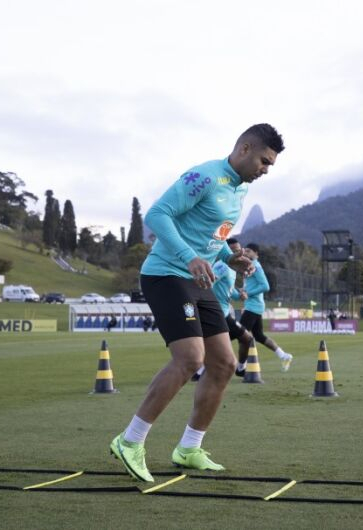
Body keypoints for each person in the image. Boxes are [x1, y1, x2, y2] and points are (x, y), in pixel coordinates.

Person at [109, 123, 285, 483]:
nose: (266, 170)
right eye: (264, 161)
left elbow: (214, 236)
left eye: (270, 165)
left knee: (223, 363)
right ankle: (130, 441)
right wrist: (190, 257)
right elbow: (157, 215)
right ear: (245, 148)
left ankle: (189, 448)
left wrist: (230, 257)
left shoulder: (238, 192)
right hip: (167, 275)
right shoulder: (204, 176)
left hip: (200, 281)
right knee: (191, 358)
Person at [193, 238, 254, 381]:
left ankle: (238, 369)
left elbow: (227, 289)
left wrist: (238, 295)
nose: (237, 254)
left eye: (239, 250)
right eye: (233, 251)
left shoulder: (233, 270)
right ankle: (239, 369)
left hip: (225, 312)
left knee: (243, 339)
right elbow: (209, 282)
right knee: (246, 338)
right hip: (218, 312)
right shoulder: (222, 266)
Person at [239, 242, 293, 371]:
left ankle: (240, 367)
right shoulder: (250, 266)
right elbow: (252, 285)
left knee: (240, 335)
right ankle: (284, 355)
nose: (246, 253)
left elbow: (265, 286)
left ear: (256, 253)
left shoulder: (256, 266)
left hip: (253, 306)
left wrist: (247, 293)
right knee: (259, 336)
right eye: (245, 251)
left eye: (249, 251)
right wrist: (242, 290)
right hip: (254, 306)